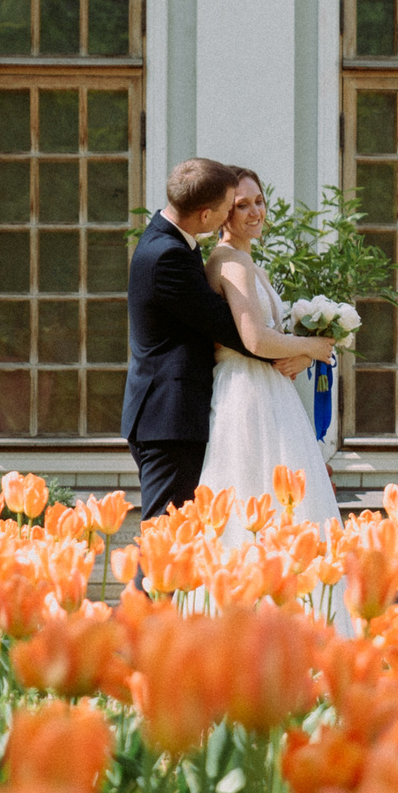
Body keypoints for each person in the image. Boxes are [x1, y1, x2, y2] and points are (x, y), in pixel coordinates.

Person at [196, 167, 341, 540]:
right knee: (254, 492)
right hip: (246, 393)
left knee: (284, 501)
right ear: (223, 213)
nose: (254, 212)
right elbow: (255, 340)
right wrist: (315, 347)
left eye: (259, 201)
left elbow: (273, 337)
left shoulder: (251, 265)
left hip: (271, 392)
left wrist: (305, 356)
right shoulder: (229, 262)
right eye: (242, 205)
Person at [122, 158, 263, 522]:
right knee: (165, 539)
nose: (231, 216)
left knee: (179, 540)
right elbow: (229, 329)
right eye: (228, 208)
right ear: (205, 216)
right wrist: (303, 350)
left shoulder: (173, 240)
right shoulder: (166, 255)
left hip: (175, 416)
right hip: (168, 421)